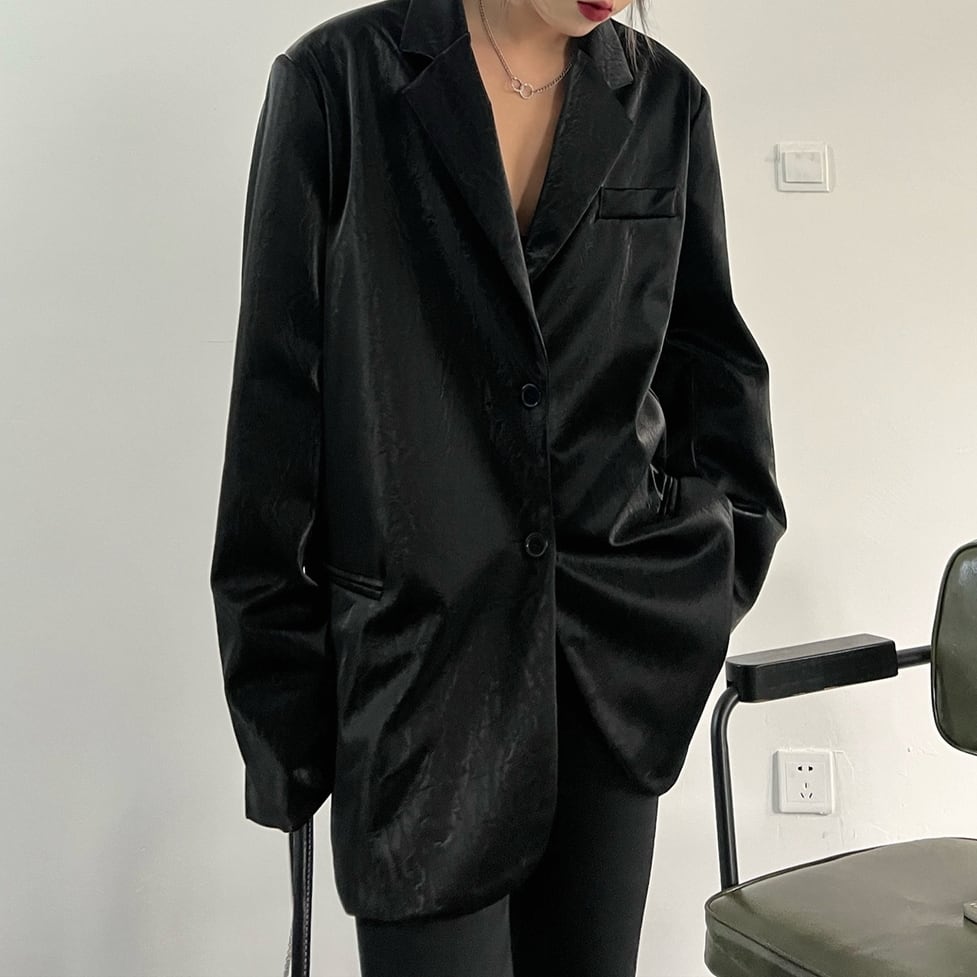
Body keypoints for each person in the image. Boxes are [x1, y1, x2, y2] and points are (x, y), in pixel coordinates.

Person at [209, 0, 787, 973]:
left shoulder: (664, 101)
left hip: (608, 672)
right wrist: (281, 717)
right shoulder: (336, 84)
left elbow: (710, 369)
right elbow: (277, 409)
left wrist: (699, 581)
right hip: (419, 676)